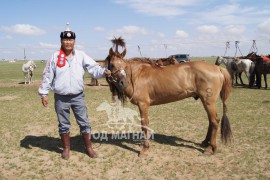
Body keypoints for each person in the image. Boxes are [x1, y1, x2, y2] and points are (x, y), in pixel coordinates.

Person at [38, 23, 111, 160]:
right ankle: (66, 148)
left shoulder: (81, 55)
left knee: (84, 122)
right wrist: (44, 93)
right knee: (64, 124)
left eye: (71, 40)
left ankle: (88, 147)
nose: (68, 42)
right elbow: (47, 75)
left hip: (78, 96)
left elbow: (93, 68)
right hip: (61, 97)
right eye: (65, 39)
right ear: (61, 41)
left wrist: (103, 72)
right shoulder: (54, 57)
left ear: (74, 41)